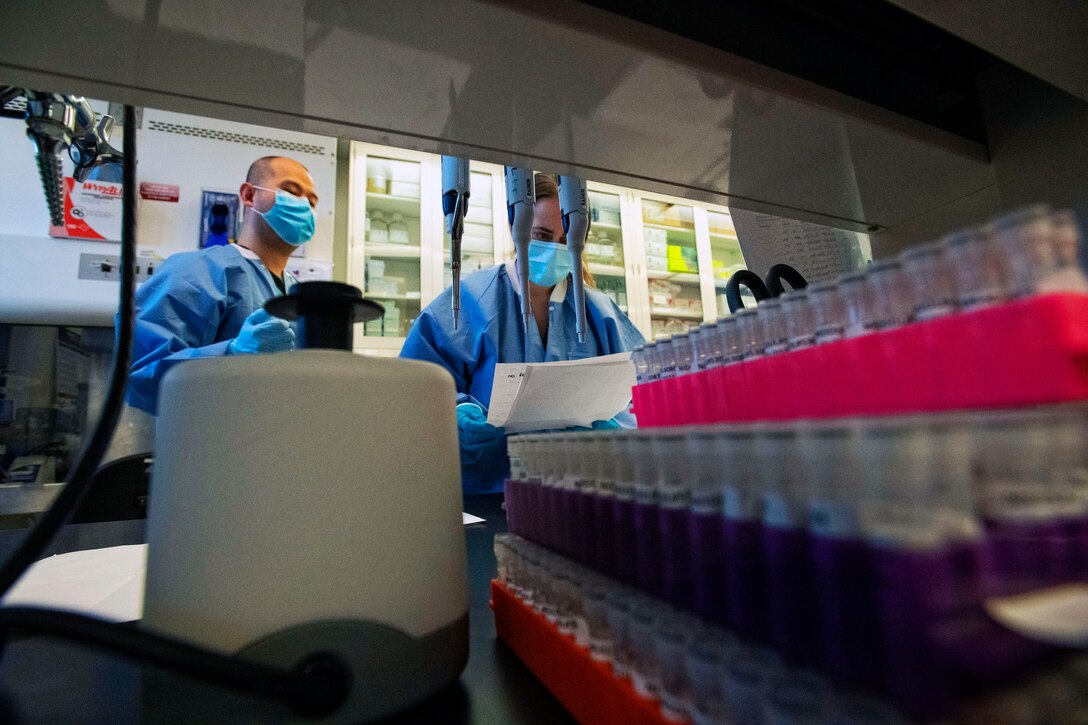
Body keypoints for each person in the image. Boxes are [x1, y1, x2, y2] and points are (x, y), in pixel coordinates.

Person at [401, 173, 645, 494]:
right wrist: (458, 414)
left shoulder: (600, 314)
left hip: (582, 495)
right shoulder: (472, 302)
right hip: (487, 496)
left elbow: (645, 392)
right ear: (516, 227)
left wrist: (618, 430)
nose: (554, 250)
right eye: (542, 236)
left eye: (564, 241)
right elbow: (415, 388)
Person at [123, 156, 318, 415]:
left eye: (312, 202)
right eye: (291, 192)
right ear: (249, 194)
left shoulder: (300, 296)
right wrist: (233, 355)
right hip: (211, 449)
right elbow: (139, 377)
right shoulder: (195, 271)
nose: (303, 205)